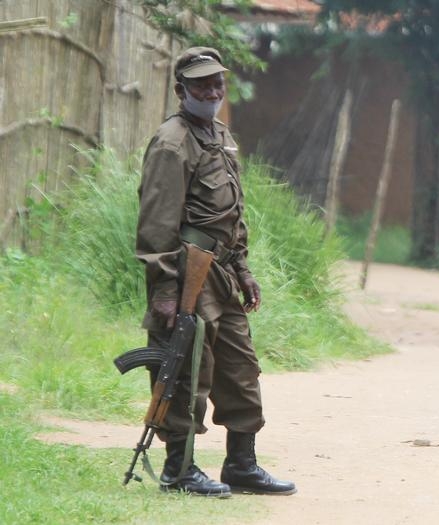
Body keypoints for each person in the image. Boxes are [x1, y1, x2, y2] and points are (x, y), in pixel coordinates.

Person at [136, 47, 295, 497]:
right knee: (187, 371)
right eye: (201, 84)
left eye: (217, 83)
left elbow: (232, 212)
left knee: (241, 368)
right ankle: (179, 470)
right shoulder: (172, 142)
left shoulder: (221, 135)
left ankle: (241, 464)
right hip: (188, 273)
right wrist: (165, 289)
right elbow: (156, 221)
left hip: (222, 273)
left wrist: (242, 267)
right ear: (180, 90)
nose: (212, 91)